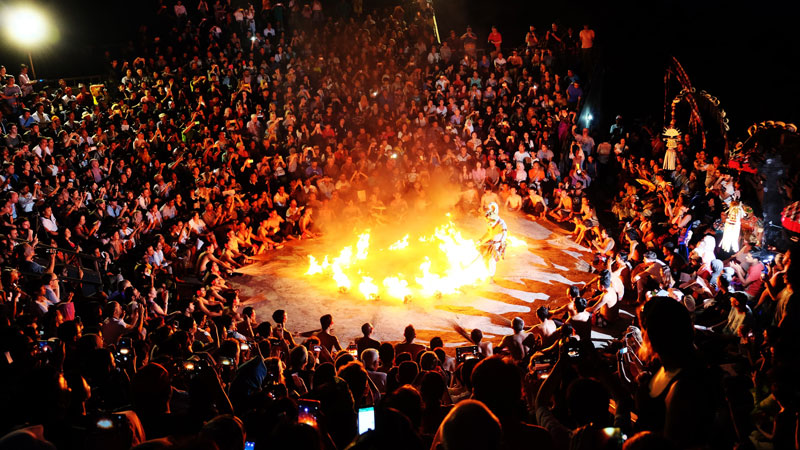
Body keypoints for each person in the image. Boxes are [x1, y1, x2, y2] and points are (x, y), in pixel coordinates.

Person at [478, 202, 507, 277]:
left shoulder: (502, 224)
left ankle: (490, 276)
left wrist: (498, 243)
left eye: (489, 221)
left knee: (492, 260)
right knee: (481, 253)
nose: (487, 223)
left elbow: (504, 236)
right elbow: (489, 234)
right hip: (491, 241)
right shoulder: (491, 223)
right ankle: (481, 270)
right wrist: (481, 240)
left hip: (498, 244)